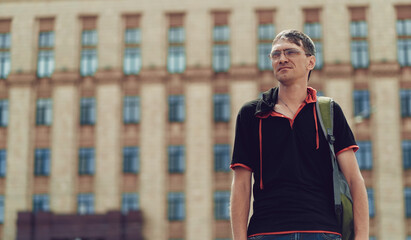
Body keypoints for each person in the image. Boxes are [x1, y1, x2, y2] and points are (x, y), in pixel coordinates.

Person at [230, 29, 369, 240]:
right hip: (266, 232)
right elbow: (241, 184)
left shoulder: (329, 112)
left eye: (290, 52)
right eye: (275, 54)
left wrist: (362, 237)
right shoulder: (251, 114)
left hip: (322, 232)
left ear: (310, 62)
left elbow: (354, 180)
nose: (282, 59)